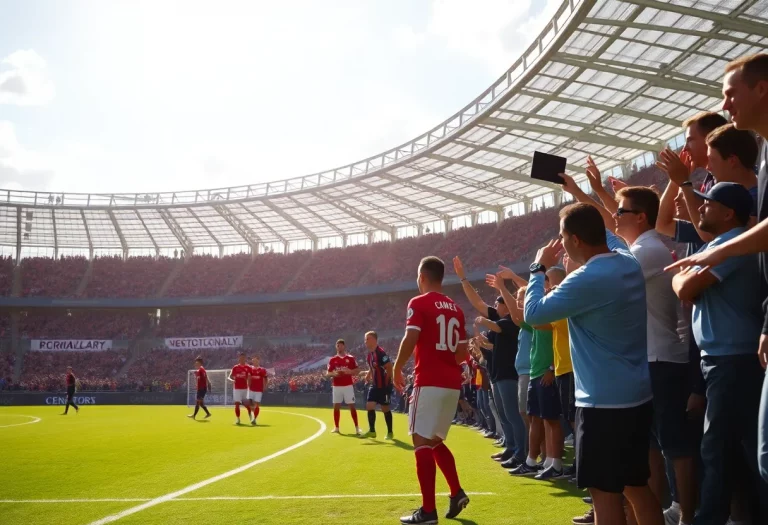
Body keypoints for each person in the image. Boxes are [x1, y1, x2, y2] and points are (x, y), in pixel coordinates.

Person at [524, 203, 660, 525]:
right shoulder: (628, 261)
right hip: (637, 396)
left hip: (602, 405)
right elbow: (612, 236)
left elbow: (532, 313)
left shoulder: (585, 278)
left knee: (604, 494)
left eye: (562, 236)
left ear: (574, 240)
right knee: (636, 487)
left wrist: (537, 268)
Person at [670, 182, 767, 524]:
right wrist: (684, 280)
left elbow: (688, 287)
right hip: (723, 359)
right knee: (733, 448)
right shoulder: (718, 244)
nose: (701, 208)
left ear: (729, 213)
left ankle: (709, 518)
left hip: (732, 359)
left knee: (718, 448)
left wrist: (680, 279)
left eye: (708, 203)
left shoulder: (732, 244)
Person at [393, 256, 470, 524]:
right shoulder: (456, 309)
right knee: (435, 440)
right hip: (451, 384)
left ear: (422, 276)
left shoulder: (419, 302)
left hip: (429, 380)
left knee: (420, 441)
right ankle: (456, 491)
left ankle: (428, 511)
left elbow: (410, 336)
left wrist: (397, 367)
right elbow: (461, 352)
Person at [454, 256, 528, 470]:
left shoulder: (512, 321)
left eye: (498, 302)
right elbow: (477, 303)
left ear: (507, 306)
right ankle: (512, 447)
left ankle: (520, 452)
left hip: (508, 373)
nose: (494, 304)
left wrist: (484, 323)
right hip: (496, 373)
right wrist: (463, 279)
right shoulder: (500, 317)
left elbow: (495, 326)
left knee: (513, 415)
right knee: (505, 416)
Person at [326, 339, 362, 435]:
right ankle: (336, 427)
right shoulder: (332, 360)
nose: (339, 347)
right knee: (336, 407)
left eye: (341, 345)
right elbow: (328, 373)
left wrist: (349, 371)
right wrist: (334, 374)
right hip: (336, 386)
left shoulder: (350, 358)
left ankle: (357, 427)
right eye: (338, 345)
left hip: (348, 385)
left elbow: (357, 370)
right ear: (336, 347)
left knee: (352, 406)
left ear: (344, 346)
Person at [363, 331, 394, 440]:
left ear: (374, 340)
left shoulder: (381, 353)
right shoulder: (369, 355)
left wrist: (388, 383)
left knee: (385, 408)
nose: (365, 341)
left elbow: (389, 367)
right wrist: (368, 375)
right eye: (365, 339)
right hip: (375, 385)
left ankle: (390, 432)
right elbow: (372, 368)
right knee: (369, 406)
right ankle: (372, 431)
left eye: (367, 339)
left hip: (384, 386)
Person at [228, 352, 251, 425]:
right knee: (237, 404)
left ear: (245, 358)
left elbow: (250, 377)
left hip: (245, 388)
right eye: (240, 358)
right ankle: (238, 419)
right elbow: (229, 377)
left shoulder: (248, 367)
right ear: (239, 358)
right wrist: (232, 380)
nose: (242, 359)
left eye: (243, 358)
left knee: (247, 405)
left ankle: (251, 416)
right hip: (237, 388)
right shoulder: (235, 367)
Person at [247, 355, 268, 426]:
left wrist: (265, 386)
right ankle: (253, 416)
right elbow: (249, 378)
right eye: (253, 361)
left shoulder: (262, 369)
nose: (254, 362)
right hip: (251, 389)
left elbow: (265, 379)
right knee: (250, 404)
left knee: (257, 405)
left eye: (255, 361)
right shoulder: (250, 369)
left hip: (259, 390)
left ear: (258, 361)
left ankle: (254, 419)